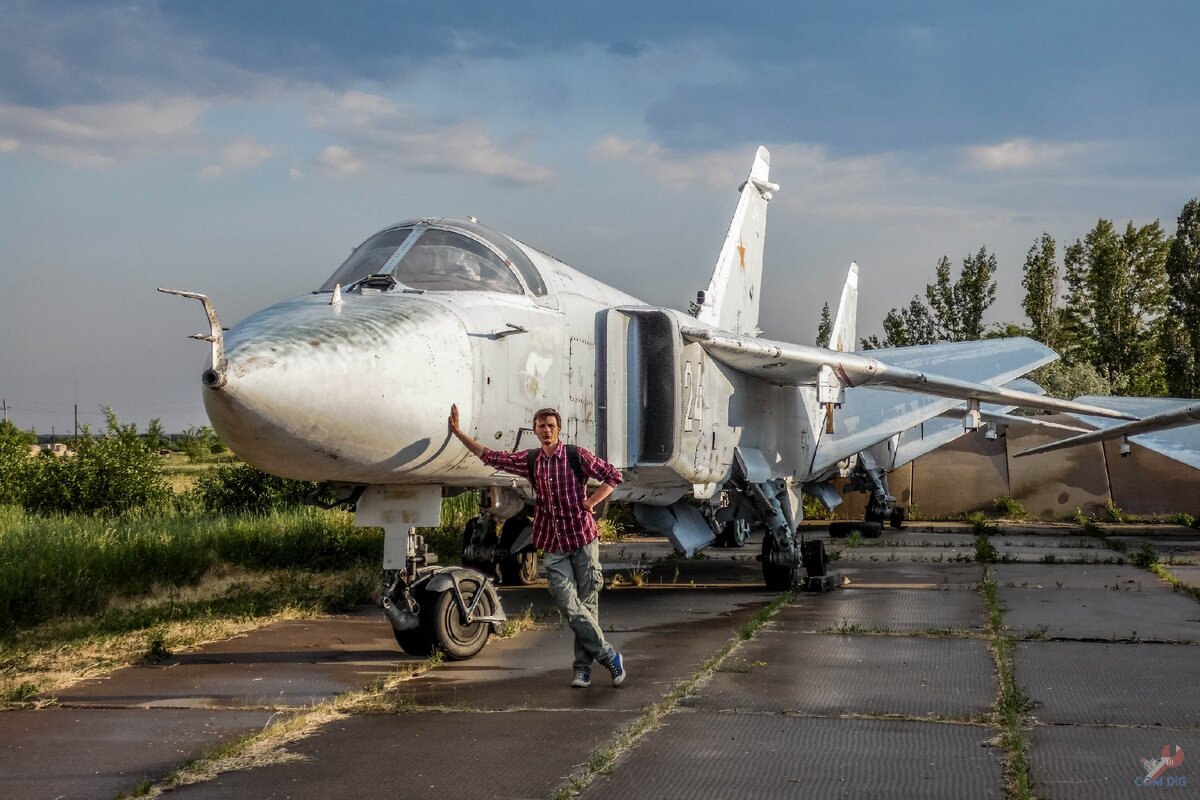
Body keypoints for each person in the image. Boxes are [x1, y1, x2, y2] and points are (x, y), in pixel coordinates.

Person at [448, 404, 626, 688]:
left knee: (587, 606)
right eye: (541, 426)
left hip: (582, 539)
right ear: (535, 430)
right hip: (552, 542)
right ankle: (609, 656)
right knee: (569, 605)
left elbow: (613, 476)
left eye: (551, 426)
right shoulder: (531, 461)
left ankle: (582, 670)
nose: (546, 430)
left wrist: (591, 502)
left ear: (559, 429)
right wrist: (459, 434)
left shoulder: (575, 456)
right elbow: (493, 458)